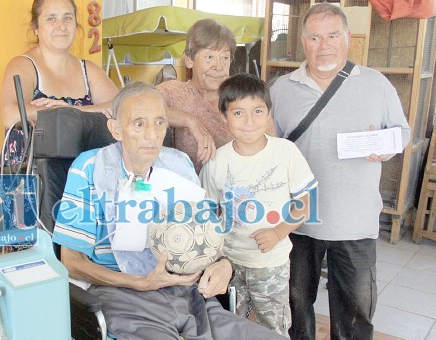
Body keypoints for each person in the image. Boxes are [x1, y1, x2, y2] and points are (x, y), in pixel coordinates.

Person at [53, 82, 285, 340]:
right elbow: (71, 263)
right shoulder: (90, 168)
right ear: (116, 129)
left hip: (188, 295)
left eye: (160, 122)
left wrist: (223, 264)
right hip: (123, 297)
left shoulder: (179, 165)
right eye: (139, 124)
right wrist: (140, 283)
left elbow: (208, 237)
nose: (151, 134)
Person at [269, 3, 411, 339]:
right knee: (295, 302)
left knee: (354, 309)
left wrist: (387, 146)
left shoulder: (376, 84)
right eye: (315, 37)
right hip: (299, 219)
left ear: (348, 38)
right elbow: (269, 146)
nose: (325, 45)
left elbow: (402, 132)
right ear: (303, 42)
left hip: (355, 220)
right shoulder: (281, 88)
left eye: (333, 35)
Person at [200, 73, 317, 337]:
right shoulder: (216, 160)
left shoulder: (286, 152)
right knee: (228, 327)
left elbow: (305, 203)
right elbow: (206, 213)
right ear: (223, 116)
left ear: (268, 114)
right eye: (238, 112)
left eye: (257, 111)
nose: (249, 121)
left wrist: (278, 232)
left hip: (270, 265)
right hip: (227, 264)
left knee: (272, 329)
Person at [0, 0, 117, 171]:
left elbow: (121, 107)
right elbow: (11, 114)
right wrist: (72, 114)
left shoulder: (88, 70)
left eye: (67, 18)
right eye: (51, 19)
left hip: (83, 177)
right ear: (36, 28)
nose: (61, 26)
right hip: (32, 179)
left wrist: (69, 111)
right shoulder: (23, 65)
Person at [157, 19, 235, 173]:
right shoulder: (174, 92)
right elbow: (138, 106)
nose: (218, 67)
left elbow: (269, 143)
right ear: (189, 59)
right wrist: (189, 120)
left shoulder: (242, 97)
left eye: (225, 58)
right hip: (185, 189)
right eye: (209, 57)